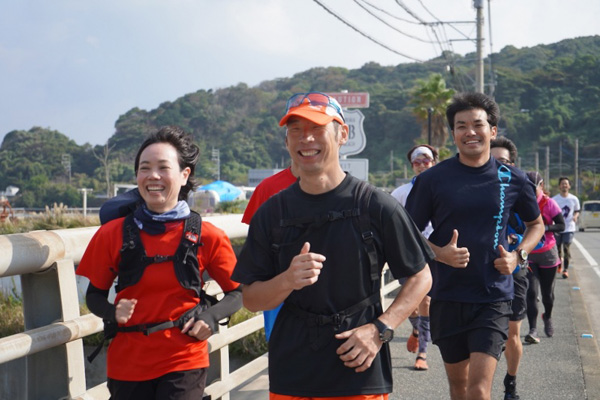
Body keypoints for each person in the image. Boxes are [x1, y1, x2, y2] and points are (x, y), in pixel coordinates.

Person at [232, 91, 433, 399]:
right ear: (286, 141)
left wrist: (380, 329)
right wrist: (287, 280)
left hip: (359, 362)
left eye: (316, 129)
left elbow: (421, 276)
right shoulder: (272, 212)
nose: (305, 139)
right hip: (293, 367)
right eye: (295, 130)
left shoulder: (375, 205)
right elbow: (251, 299)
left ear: (343, 134)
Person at [77, 126, 242, 399]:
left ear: (184, 174)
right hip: (127, 362)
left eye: (163, 168)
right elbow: (93, 295)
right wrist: (111, 312)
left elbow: (238, 290)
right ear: (137, 176)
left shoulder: (208, 235)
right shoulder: (112, 233)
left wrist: (211, 317)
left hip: (184, 358)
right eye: (145, 168)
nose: (153, 176)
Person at [405, 92, 545, 400]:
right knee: (459, 388)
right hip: (447, 295)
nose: (470, 132)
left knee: (479, 390)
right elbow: (407, 230)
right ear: (453, 134)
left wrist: (519, 255)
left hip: (492, 296)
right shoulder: (432, 180)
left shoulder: (513, 179)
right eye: (461, 126)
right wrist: (438, 253)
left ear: (492, 131)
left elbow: (537, 225)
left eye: (477, 124)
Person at [491, 136, 536, 400]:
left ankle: (511, 382)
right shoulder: (472, 186)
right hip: (479, 271)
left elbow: (535, 226)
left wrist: (518, 249)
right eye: (493, 161)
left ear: (513, 165)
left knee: (511, 333)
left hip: (515, 268)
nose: (498, 167)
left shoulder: (519, 187)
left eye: (504, 162)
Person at [391, 144, 438, 371]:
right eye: (417, 162)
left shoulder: (443, 189)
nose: (422, 165)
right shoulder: (400, 193)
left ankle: (423, 352)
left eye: (426, 161)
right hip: (408, 253)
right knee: (411, 305)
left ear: (433, 163)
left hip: (434, 253)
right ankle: (417, 329)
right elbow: (389, 223)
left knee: (426, 301)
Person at [241, 162, 299, 341]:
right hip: (278, 300)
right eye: (296, 131)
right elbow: (256, 249)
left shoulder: (343, 189)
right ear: (287, 141)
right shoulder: (268, 188)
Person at [524, 171, 565, 344]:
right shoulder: (522, 201)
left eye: (533, 188)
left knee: (547, 294)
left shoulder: (549, 204)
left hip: (548, 253)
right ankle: (532, 329)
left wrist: (543, 228)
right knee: (531, 293)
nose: (530, 191)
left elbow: (561, 225)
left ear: (541, 186)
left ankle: (547, 316)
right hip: (529, 253)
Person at [552, 177, 580, 279]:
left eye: (566, 184)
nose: (564, 185)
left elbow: (577, 210)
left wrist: (575, 216)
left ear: (569, 186)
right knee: (558, 249)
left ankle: (566, 270)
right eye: (562, 184)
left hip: (569, 228)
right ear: (559, 186)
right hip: (558, 228)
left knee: (566, 248)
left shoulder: (574, 199)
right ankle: (559, 265)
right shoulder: (554, 199)